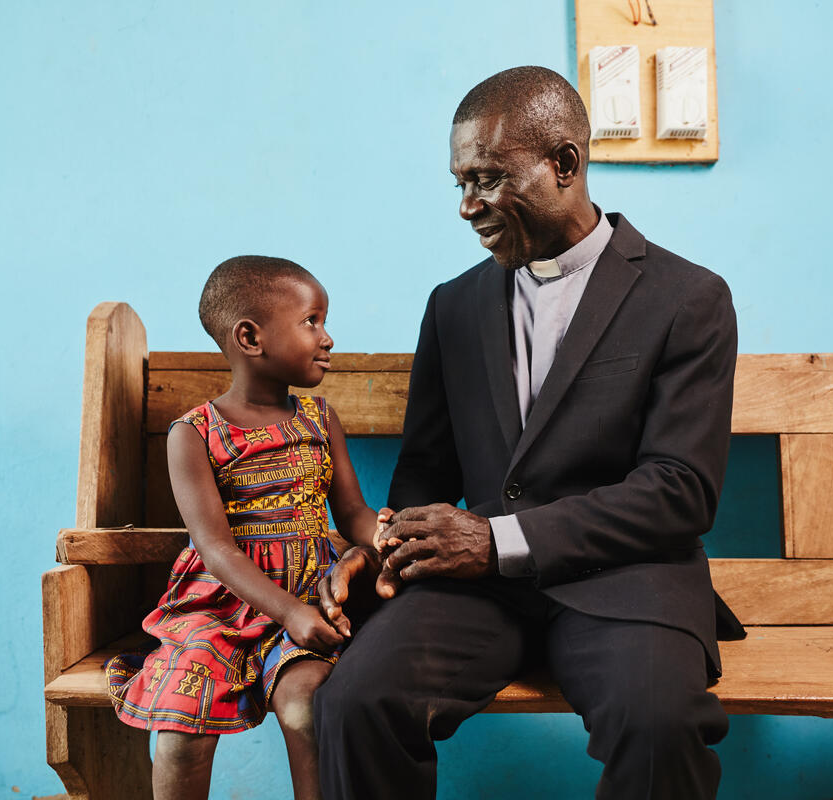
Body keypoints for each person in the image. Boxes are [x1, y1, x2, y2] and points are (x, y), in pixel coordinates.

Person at [314, 66, 744, 799]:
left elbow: (681, 492)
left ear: (566, 165)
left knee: (658, 724)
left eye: (485, 179)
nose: (466, 205)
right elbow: (425, 475)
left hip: (630, 584)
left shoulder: (689, 298)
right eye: (459, 183)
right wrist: (380, 550)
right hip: (474, 592)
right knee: (353, 701)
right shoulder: (453, 306)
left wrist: (496, 540)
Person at [105, 256, 390, 800]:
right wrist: (288, 611)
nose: (327, 338)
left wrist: (383, 539)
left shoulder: (319, 419)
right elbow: (215, 550)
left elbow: (352, 512)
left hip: (313, 594)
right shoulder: (193, 433)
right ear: (250, 337)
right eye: (312, 321)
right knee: (182, 722)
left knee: (308, 706)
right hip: (220, 605)